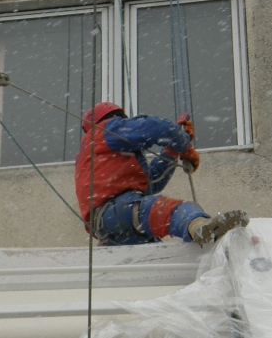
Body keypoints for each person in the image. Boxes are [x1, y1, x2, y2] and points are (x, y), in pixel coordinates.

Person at [74, 102, 249, 246]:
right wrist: (182, 141)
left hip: (108, 227)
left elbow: (152, 182)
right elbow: (155, 128)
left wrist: (172, 150)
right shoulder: (107, 129)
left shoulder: (96, 156)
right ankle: (200, 226)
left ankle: (199, 230)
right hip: (119, 210)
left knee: (152, 252)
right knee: (174, 210)